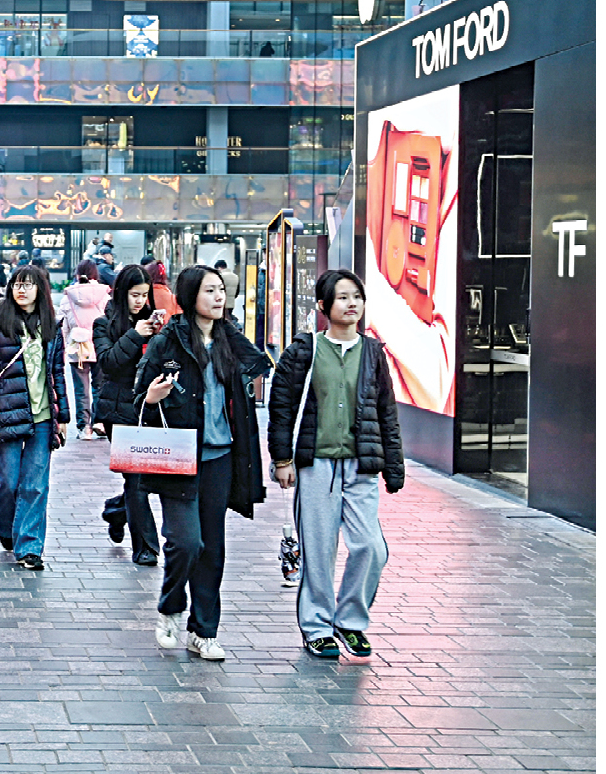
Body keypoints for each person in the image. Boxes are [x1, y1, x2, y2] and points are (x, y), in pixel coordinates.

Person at [136, 265, 272, 662]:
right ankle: (170, 607)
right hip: (179, 455)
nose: (218, 297)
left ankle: (203, 631)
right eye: (210, 290)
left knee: (212, 548)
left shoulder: (231, 339)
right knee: (185, 542)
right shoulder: (169, 341)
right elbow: (137, 396)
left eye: (221, 290)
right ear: (190, 295)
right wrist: (152, 397)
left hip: (221, 457)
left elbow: (259, 369)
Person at [268, 270, 404, 659]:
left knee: (371, 547)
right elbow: (282, 407)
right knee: (319, 551)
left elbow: (386, 412)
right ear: (323, 306)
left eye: (357, 296)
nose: (351, 303)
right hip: (316, 466)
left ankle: (349, 621)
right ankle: (317, 628)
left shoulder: (373, 353)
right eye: (343, 297)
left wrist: (393, 467)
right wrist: (282, 459)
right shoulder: (305, 350)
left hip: (360, 467)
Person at [0, 264, 69, 570]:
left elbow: (57, 373)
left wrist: (63, 417)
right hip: (6, 412)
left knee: (35, 485)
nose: (22, 290)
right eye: (17, 284)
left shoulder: (51, 326)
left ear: (40, 289)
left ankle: (29, 548)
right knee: (7, 483)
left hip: (43, 417)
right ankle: (6, 528)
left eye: (28, 285)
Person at [93, 264, 165, 565]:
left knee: (146, 478)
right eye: (135, 295)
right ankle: (146, 548)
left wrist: (161, 336)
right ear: (122, 293)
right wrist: (135, 335)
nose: (140, 301)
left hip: (152, 408)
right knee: (135, 478)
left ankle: (116, 510)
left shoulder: (154, 323)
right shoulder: (103, 324)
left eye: (144, 295)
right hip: (119, 410)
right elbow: (108, 362)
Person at [60, 261, 110, 438]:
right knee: (100, 386)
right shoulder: (104, 296)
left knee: (81, 390)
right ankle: (99, 422)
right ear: (95, 275)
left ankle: (84, 428)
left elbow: (63, 327)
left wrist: (64, 348)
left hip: (77, 347)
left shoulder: (68, 297)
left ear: (77, 274)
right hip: (99, 346)